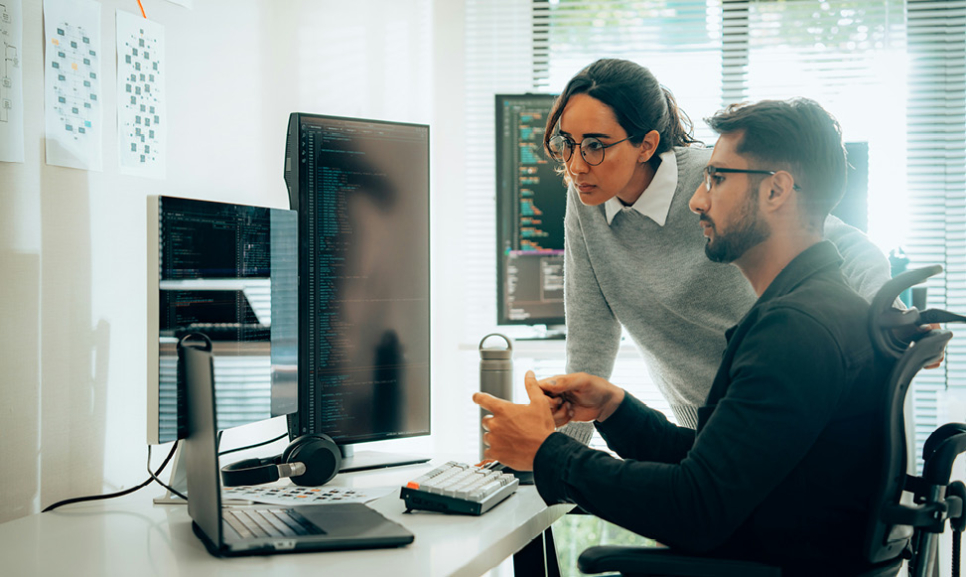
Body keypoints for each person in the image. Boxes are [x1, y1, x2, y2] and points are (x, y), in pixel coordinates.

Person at [475, 98, 890, 575]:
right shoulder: (812, 308)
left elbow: (695, 509)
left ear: (776, 191)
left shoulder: (795, 331)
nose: (697, 199)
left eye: (716, 179)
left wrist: (548, 453)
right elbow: (715, 470)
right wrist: (616, 411)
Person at [548, 58, 892, 429]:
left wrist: (885, 312)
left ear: (646, 145)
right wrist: (550, 462)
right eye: (567, 143)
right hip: (698, 424)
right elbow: (589, 340)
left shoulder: (715, 179)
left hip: (779, 406)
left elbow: (841, 243)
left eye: (595, 145)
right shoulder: (586, 199)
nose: (576, 165)